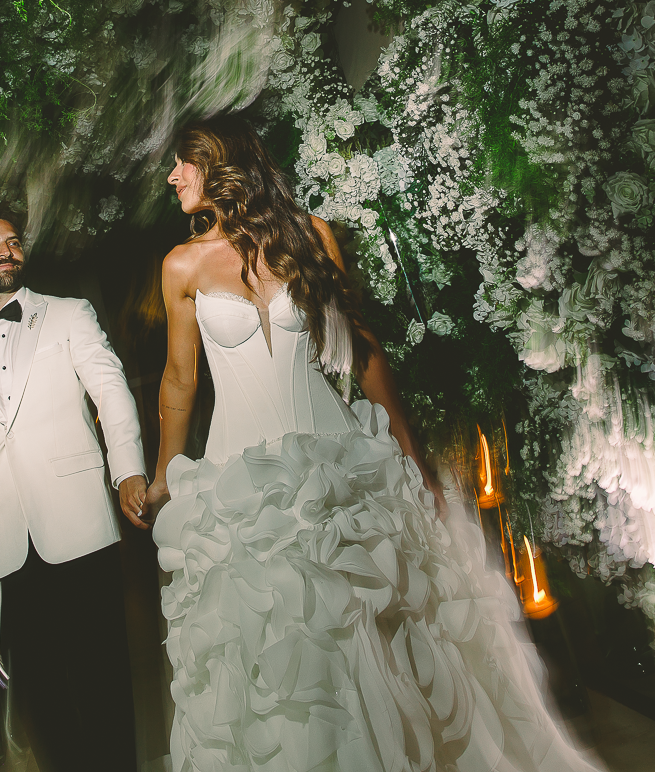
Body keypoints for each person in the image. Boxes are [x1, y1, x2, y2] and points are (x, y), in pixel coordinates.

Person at [144, 117, 600, 772]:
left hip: (340, 473)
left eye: (181, 163)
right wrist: (166, 479)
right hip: (242, 490)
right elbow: (179, 380)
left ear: (217, 164)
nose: (171, 177)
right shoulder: (180, 265)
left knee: (372, 638)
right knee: (281, 656)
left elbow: (360, 353)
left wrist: (413, 465)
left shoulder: (310, 236)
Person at [0, 207, 149, 772]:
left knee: (104, 678)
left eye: (13, 242)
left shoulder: (69, 316)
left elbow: (111, 391)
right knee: (41, 697)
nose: (5, 250)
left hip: (79, 527)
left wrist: (127, 470)